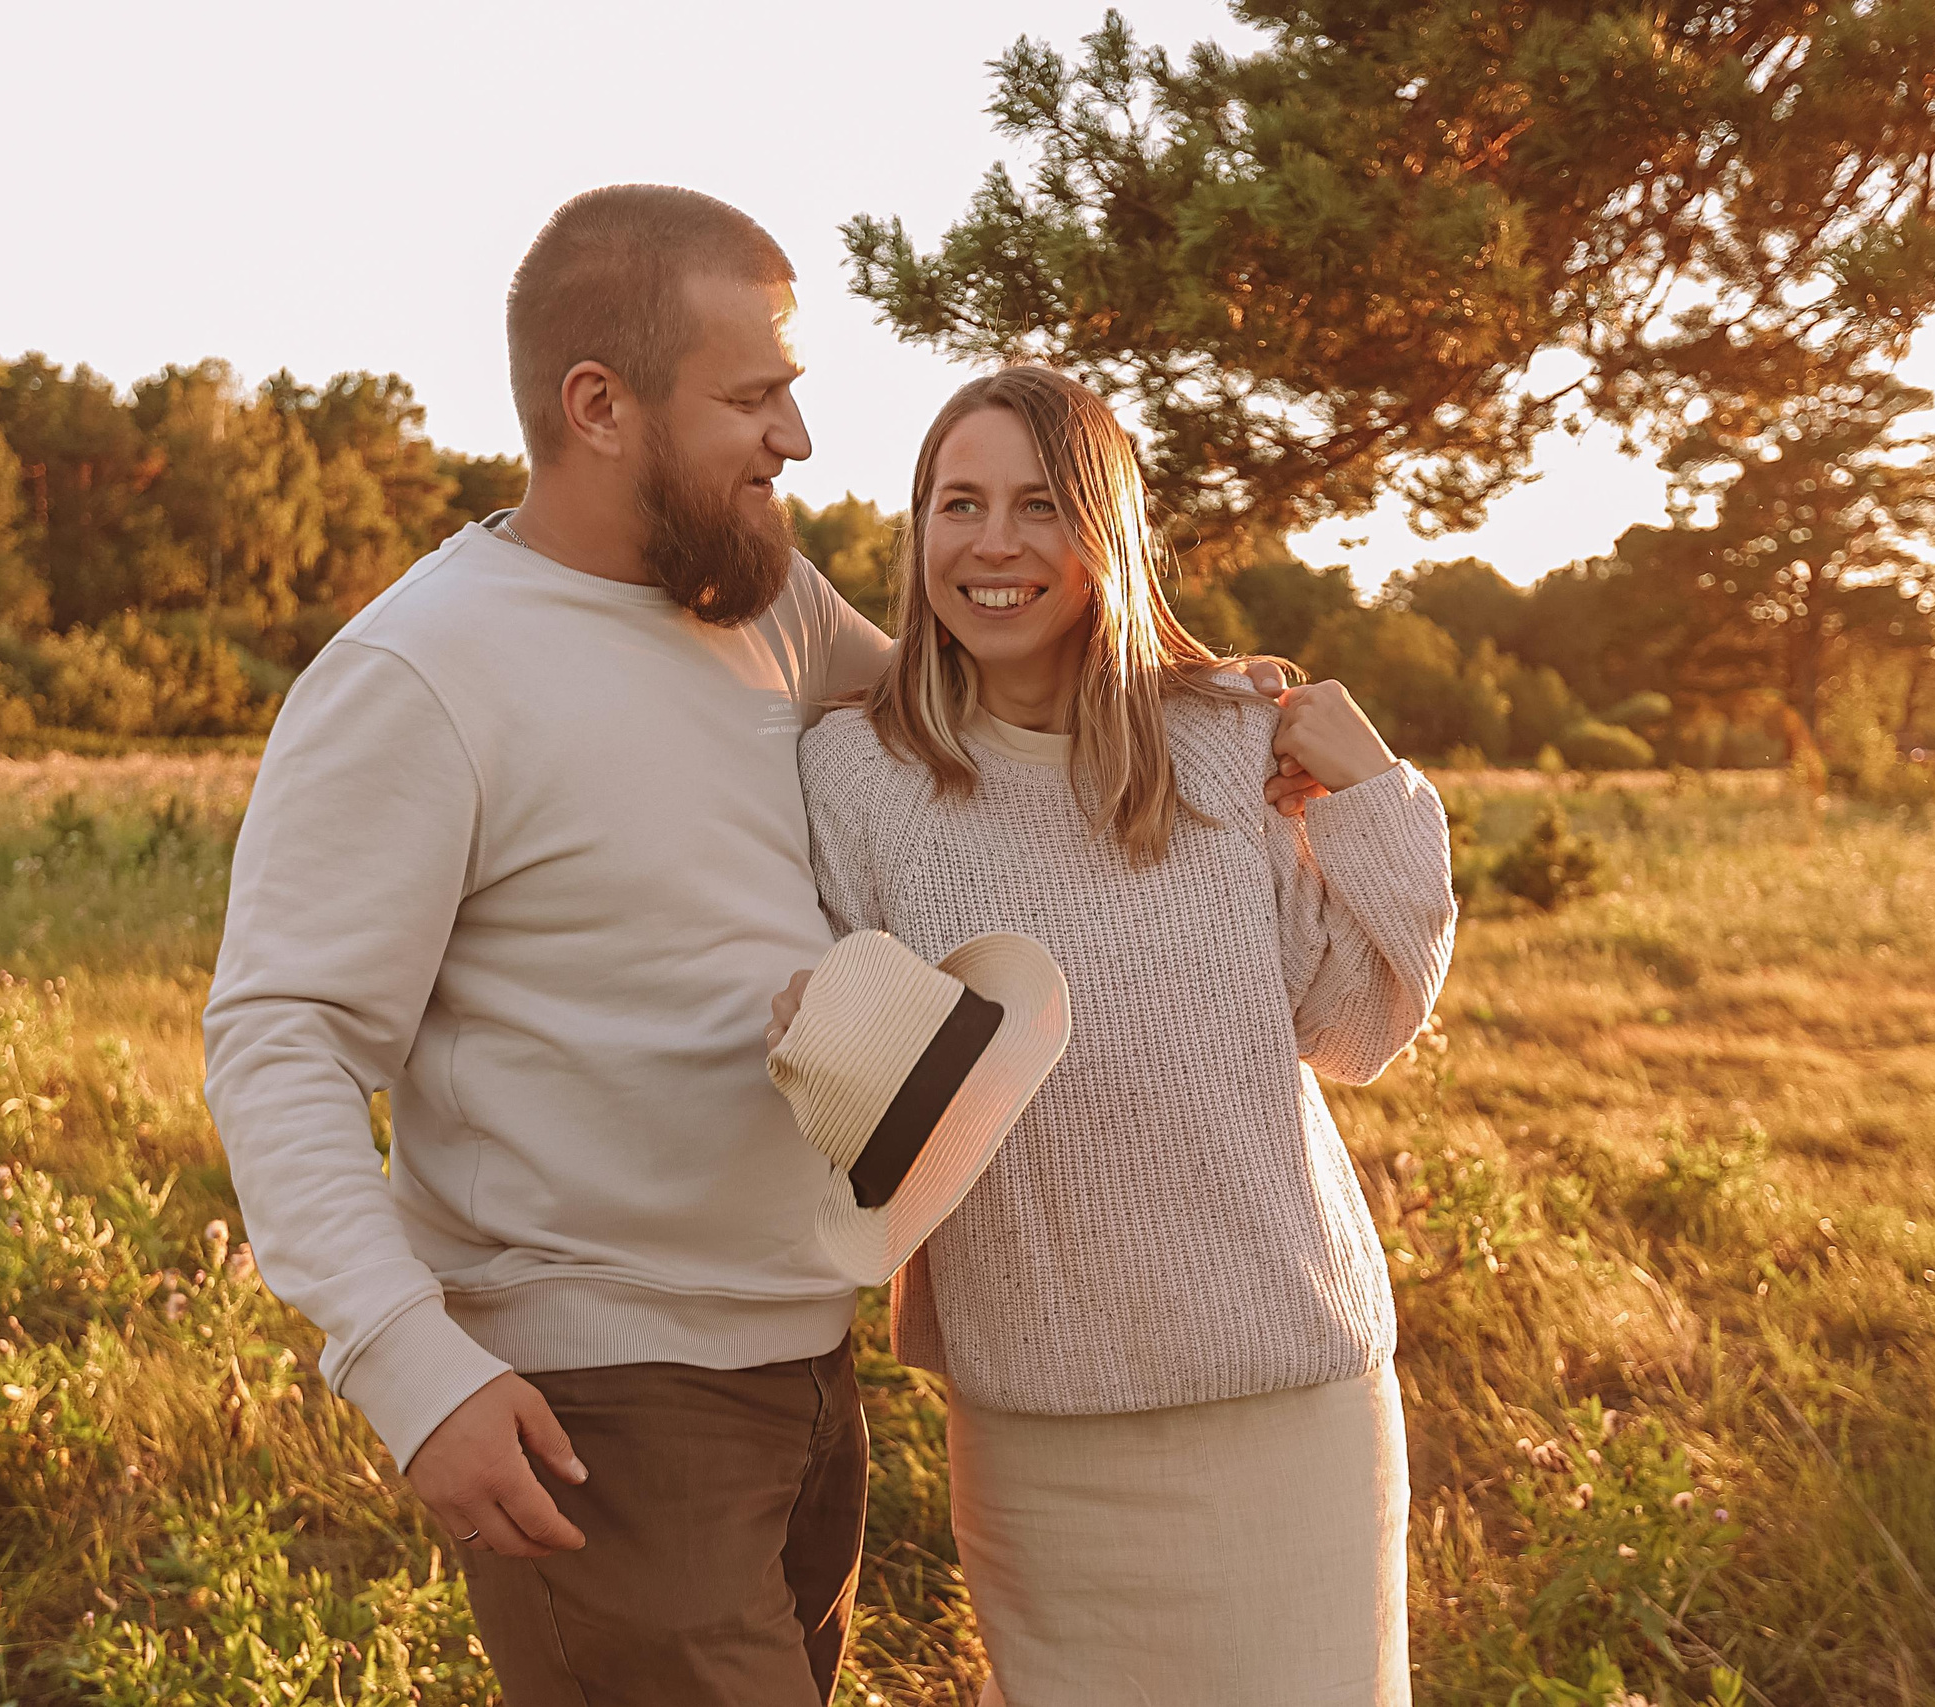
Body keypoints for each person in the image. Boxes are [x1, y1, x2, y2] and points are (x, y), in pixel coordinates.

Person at [203, 187, 1311, 1707]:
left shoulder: (767, 603)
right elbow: (281, 1039)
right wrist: (406, 1365)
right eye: (753, 395)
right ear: (600, 406)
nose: (795, 438)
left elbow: (982, 714)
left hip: (800, 1372)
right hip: (597, 1403)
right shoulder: (421, 670)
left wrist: (1209, 706)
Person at [784, 365, 1459, 1706]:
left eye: (1040, 506)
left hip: (1290, 1398)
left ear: (1107, 534)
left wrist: (1375, 790)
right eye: (957, 504)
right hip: (1040, 1418)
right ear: (916, 532)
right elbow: (858, 1099)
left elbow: (1359, 1025)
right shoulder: (854, 775)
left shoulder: (1217, 741)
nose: (992, 543)